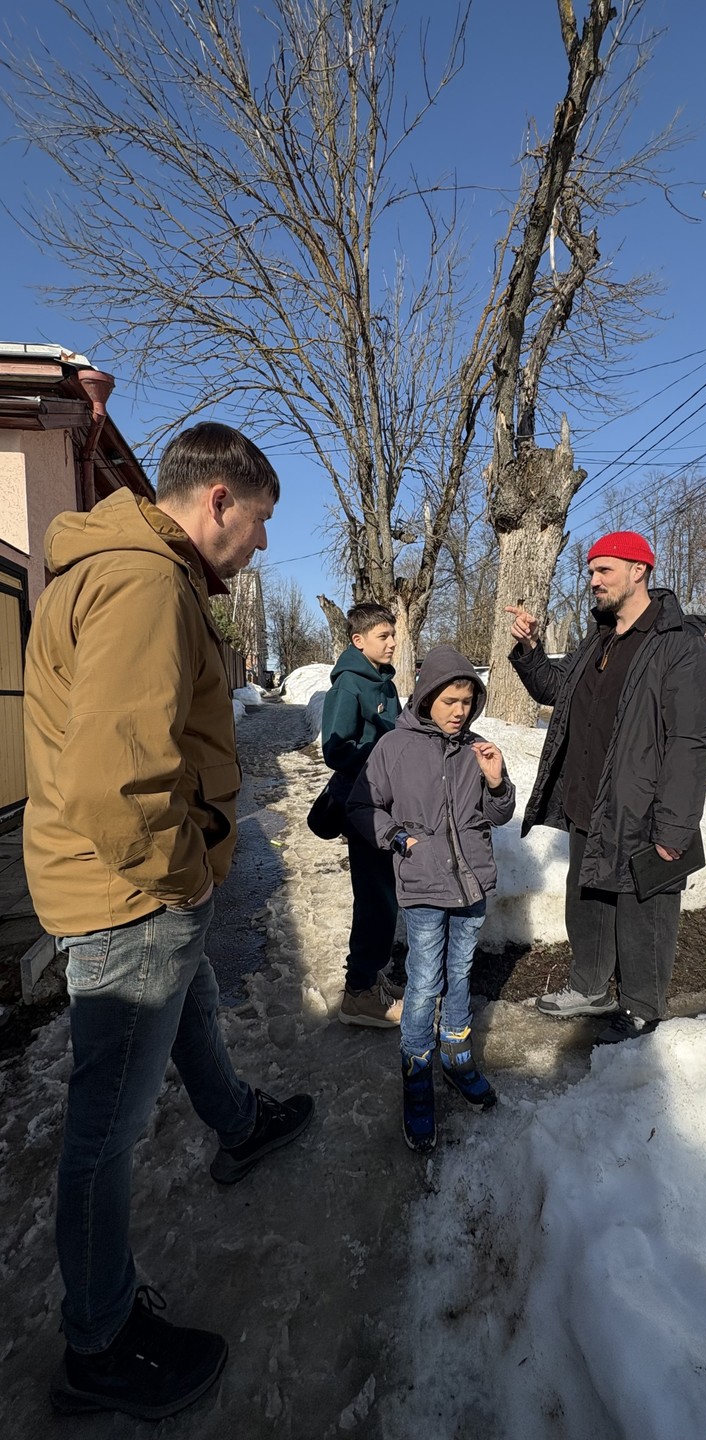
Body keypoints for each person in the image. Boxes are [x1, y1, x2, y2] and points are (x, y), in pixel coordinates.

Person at [23, 422, 314, 1421]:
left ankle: (238, 1121)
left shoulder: (122, 569)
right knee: (106, 1126)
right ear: (220, 500)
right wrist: (184, 876)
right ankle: (100, 1343)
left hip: (123, 886)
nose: (263, 544)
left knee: (186, 1008)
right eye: (262, 519)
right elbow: (120, 780)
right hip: (133, 894)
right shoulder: (147, 584)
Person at [507, 530, 706, 1044]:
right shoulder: (599, 637)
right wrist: (532, 653)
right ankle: (590, 987)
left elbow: (691, 741)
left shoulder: (678, 644)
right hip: (591, 802)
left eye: (604, 570)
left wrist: (675, 826)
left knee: (645, 914)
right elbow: (559, 690)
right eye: (591, 571)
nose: (593, 580)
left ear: (639, 570)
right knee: (590, 901)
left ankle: (644, 1011)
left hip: (645, 811)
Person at [347, 646, 515, 1151]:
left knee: (460, 973)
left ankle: (456, 1054)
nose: (459, 710)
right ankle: (416, 1068)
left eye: (466, 700)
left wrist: (497, 781)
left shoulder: (478, 747)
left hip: (472, 886)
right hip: (423, 887)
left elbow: (500, 814)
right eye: (449, 700)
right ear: (425, 699)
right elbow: (361, 806)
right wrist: (398, 838)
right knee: (424, 981)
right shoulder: (394, 747)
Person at [321, 603, 404, 1028]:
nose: (392, 643)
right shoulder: (349, 687)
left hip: (385, 805)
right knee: (376, 899)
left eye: (393, 634)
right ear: (358, 641)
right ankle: (358, 994)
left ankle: (371, 976)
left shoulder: (384, 683)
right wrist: (384, 753)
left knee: (384, 896)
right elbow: (334, 750)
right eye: (383, 636)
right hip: (362, 807)